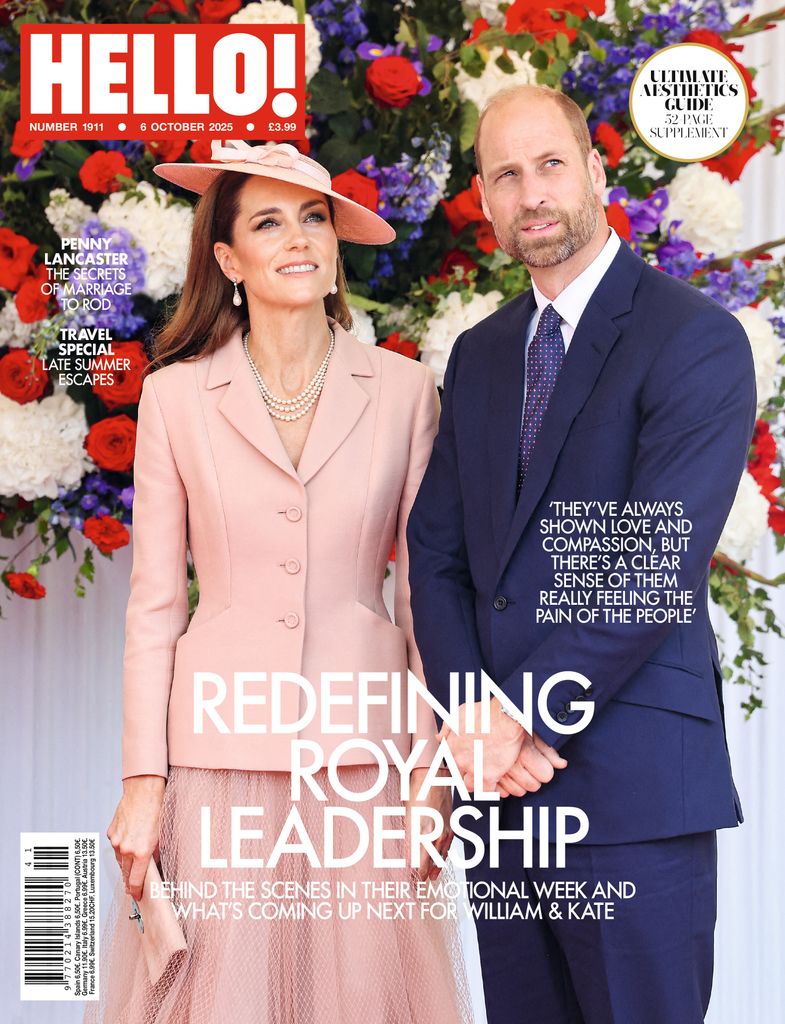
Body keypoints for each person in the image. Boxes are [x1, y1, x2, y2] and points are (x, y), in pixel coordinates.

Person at [86, 140, 473, 1024]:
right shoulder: (175, 399)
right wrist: (142, 783)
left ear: (335, 246)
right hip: (216, 757)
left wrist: (431, 768)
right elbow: (153, 606)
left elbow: (424, 598)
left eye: (313, 218)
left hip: (366, 762)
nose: (298, 239)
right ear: (228, 259)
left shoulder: (409, 392)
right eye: (268, 221)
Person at [407, 85, 757, 1024]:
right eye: (506, 175)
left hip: (631, 784)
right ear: (482, 201)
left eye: (550, 164)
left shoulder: (693, 339)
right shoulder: (479, 358)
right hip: (504, 797)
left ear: (596, 171)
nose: (532, 193)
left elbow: (651, 561)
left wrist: (520, 721)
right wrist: (475, 721)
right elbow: (434, 553)